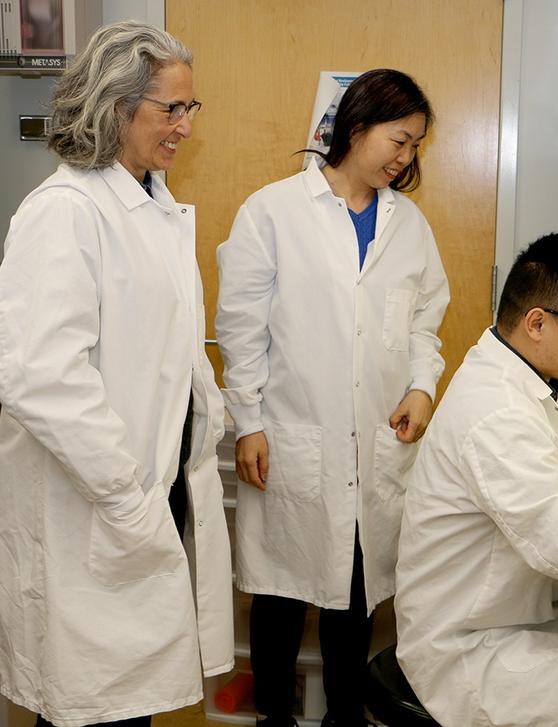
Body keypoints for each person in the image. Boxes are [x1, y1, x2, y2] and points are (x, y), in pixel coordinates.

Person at [0, 21, 234, 727]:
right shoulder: (66, 212)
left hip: (150, 494)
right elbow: (40, 375)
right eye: (172, 109)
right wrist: (128, 493)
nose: (186, 126)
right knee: (93, 710)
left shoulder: (154, 209)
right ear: (115, 105)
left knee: (128, 707)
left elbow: (174, 359)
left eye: (192, 108)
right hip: (101, 504)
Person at [216, 68, 449, 727]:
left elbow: (424, 324)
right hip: (290, 437)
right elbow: (240, 327)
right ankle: (274, 715)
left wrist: (422, 385)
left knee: (356, 595)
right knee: (280, 593)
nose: (405, 158)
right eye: (399, 140)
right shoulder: (273, 211)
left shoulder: (411, 228)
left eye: (415, 147)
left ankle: (344, 716)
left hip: (373, 442)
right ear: (356, 126)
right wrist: (252, 422)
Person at [394, 233, 558, 727]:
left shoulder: (522, 378)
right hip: (472, 649)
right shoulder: (498, 413)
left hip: (511, 619)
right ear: (537, 322)